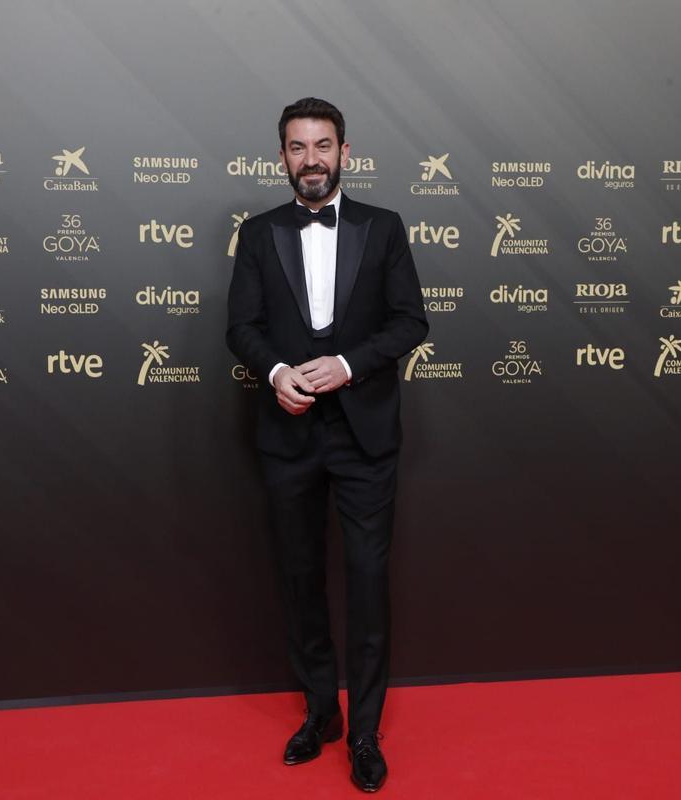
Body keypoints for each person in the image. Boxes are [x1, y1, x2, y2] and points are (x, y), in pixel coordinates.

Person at [225, 97, 428, 792]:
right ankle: (321, 712)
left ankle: (365, 732)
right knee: (299, 576)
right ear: (282, 156)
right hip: (289, 431)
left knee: (368, 581)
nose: (310, 159)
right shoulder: (259, 233)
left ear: (345, 152)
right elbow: (241, 327)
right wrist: (277, 373)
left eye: (322, 145)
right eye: (297, 147)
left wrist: (348, 365)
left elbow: (411, 322)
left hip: (364, 433)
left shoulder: (384, 226)